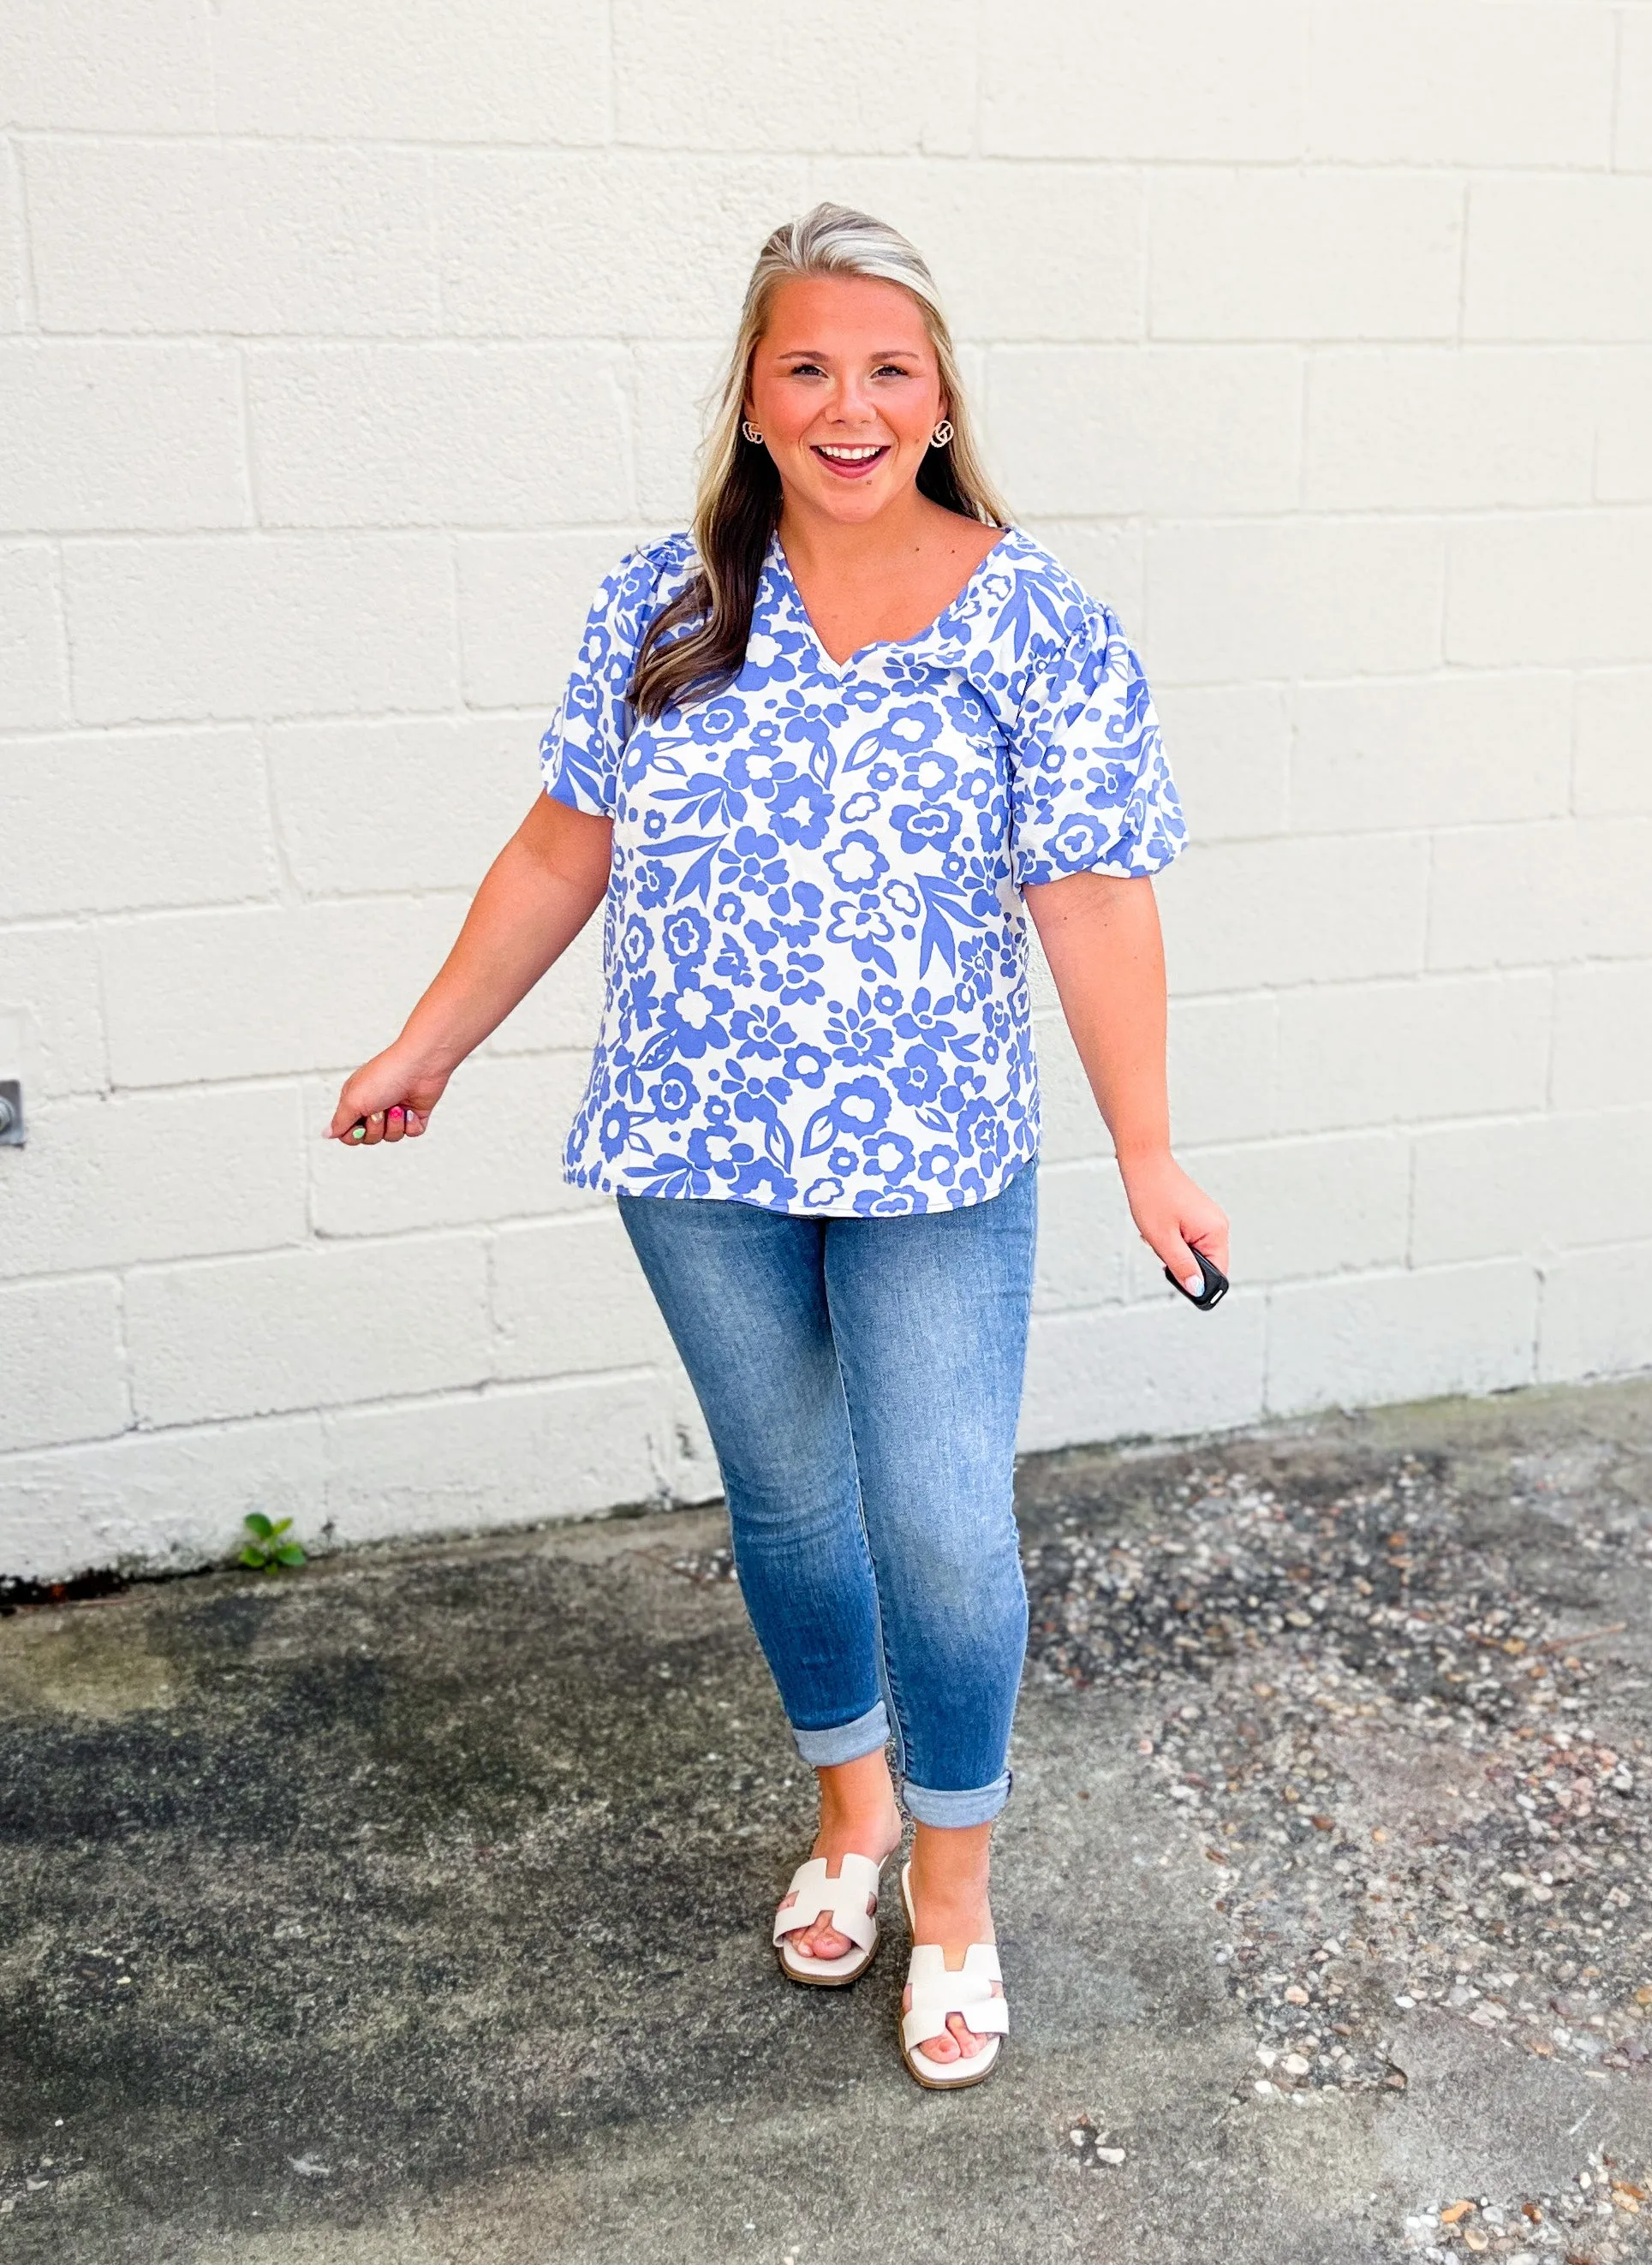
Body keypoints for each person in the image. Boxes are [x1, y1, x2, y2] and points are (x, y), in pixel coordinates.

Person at [329, 203, 1228, 2090]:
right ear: (751, 398)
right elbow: (565, 842)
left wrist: (1148, 1148)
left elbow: (1091, 898)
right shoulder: (660, 605)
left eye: (887, 369)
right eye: (808, 366)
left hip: (935, 1161)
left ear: (938, 398)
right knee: (788, 1503)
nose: (848, 403)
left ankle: (957, 1897)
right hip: (693, 1139)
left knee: (943, 1529)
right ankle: (853, 1813)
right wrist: (430, 1039)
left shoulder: (1033, 618)